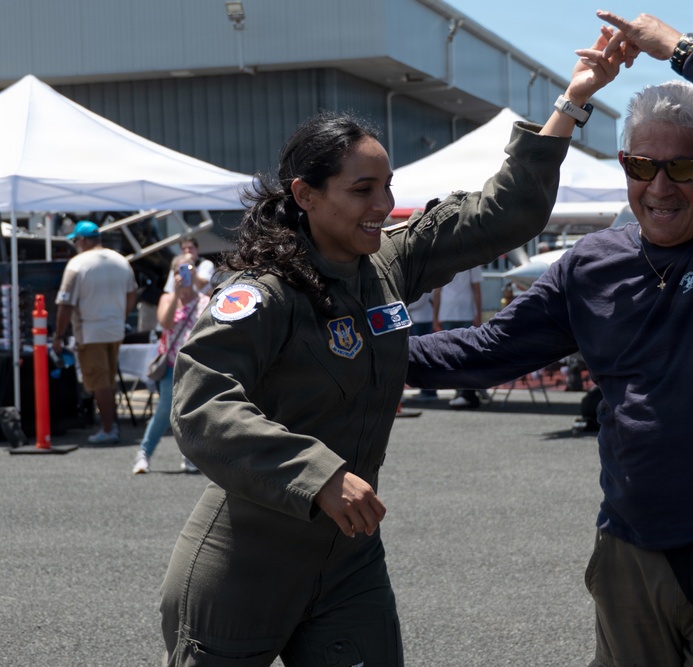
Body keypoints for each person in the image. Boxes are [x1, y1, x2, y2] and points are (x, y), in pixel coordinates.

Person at [158, 30, 623, 666]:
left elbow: (504, 213)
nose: (383, 205)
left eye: (387, 186)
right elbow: (201, 405)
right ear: (304, 194)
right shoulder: (261, 294)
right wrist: (315, 475)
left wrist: (570, 103)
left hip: (348, 559)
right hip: (245, 563)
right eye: (361, 191)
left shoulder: (385, 264)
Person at [408, 11, 693, 666]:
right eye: (640, 166)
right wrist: (365, 351)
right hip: (629, 546)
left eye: (680, 169)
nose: (657, 188)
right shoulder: (589, 266)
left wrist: (680, 50)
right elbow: (484, 350)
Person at [53, 221, 138, 444]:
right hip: (115, 329)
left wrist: (58, 335)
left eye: (75, 240)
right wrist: (121, 315)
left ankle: (109, 428)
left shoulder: (77, 264)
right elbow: (132, 293)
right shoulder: (121, 260)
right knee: (107, 380)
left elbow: (65, 304)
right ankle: (111, 425)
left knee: (100, 382)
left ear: (82, 240)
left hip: (91, 332)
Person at [131, 254, 210, 474]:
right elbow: (165, 322)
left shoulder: (204, 300)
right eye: (180, 270)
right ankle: (144, 453)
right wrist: (176, 294)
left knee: (193, 410)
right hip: (171, 363)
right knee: (165, 410)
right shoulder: (168, 298)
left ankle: (190, 456)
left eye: (189, 269)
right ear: (173, 274)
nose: (184, 274)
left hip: (195, 364)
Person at [432, 267, 483, 409]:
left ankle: (463, 391)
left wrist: (435, 317)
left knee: (453, 355)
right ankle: (466, 391)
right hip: (465, 310)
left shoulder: (444, 258)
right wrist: (478, 313)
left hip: (448, 310)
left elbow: (437, 290)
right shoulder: (474, 259)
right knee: (467, 355)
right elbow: (476, 288)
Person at [405, 291, 437, 401]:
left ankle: (429, 392)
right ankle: (426, 390)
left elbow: (419, 299)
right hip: (419, 317)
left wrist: (405, 307)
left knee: (423, 356)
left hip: (421, 319)